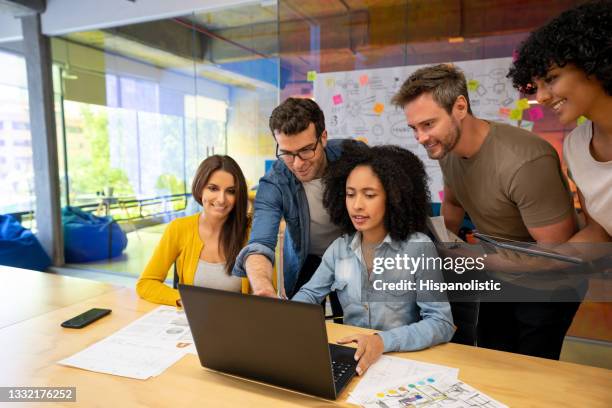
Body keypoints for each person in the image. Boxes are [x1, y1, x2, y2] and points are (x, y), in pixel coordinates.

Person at [391, 63, 579, 360]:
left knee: (532, 373)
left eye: (428, 124)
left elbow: (555, 255)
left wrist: (476, 258)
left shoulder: (524, 161)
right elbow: (453, 203)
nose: (421, 138)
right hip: (500, 271)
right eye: (414, 128)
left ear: (460, 106)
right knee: (492, 359)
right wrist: (445, 244)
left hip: (549, 283)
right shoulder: (447, 149)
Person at [293, 141, 454, 375]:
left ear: (393, 197)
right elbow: (309, 294)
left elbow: (441, 323)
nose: (357, 205)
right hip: (353, 361)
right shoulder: (339, 249)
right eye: (350, 194)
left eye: (369, 195)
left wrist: (382, 341)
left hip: (402, 363)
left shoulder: (418, 248)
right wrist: (285, 317)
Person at [233, 98, 362, 315]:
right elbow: (260, 244)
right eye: (287, 153)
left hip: (353, 256)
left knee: (352, 321)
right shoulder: (274, 182)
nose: (298, 164)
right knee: (304, 324)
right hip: (306, 261)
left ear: (323, 137)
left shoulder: (353, 156)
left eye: (305, 150)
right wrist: (263, 288)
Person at [507, 0, 612, 242]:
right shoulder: (576, 147)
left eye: (551, 78)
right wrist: (529, 264)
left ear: (593, 62)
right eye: (536, 86)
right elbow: (599, 233)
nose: (541, 97)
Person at [136, 155, 250, 306]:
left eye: (230, 191)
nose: (221, 199)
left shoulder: (251, 231)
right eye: (213, 188)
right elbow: (146, 283)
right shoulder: (178, 228)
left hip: (238, 322)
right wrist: (184, 300)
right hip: (194, 322)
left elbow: (269, 293)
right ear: (200, 188)